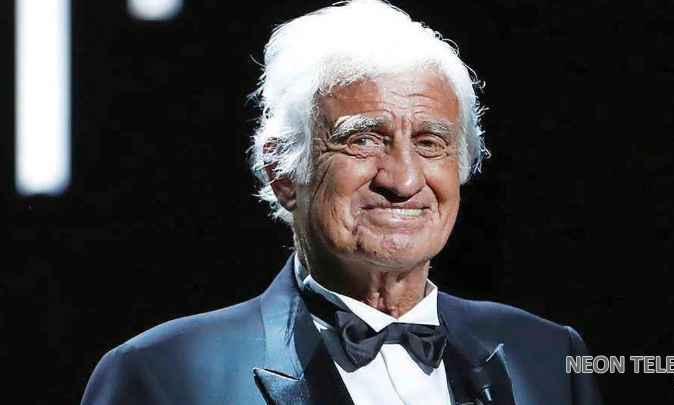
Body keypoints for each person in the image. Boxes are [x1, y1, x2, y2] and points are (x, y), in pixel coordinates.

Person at [81, 1, 602, 404]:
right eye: (363, 139)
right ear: (283, 173)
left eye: (430, 143)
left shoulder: (551, 357)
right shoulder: (162, 375)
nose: (403, 180)